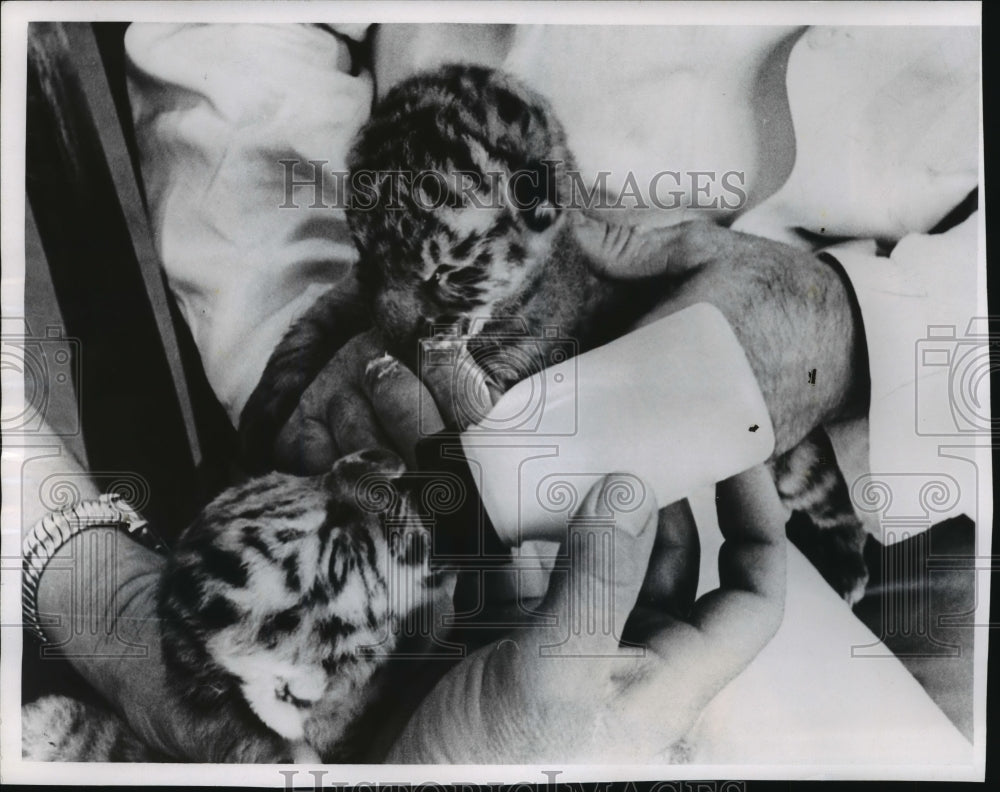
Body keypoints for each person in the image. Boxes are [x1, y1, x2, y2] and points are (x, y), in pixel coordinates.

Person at [22, 20, 979, 764]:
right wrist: (308, 317)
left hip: (910, 420)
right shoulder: (394, 313)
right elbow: (229, 40)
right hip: (385, 377)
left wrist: (867, 330)